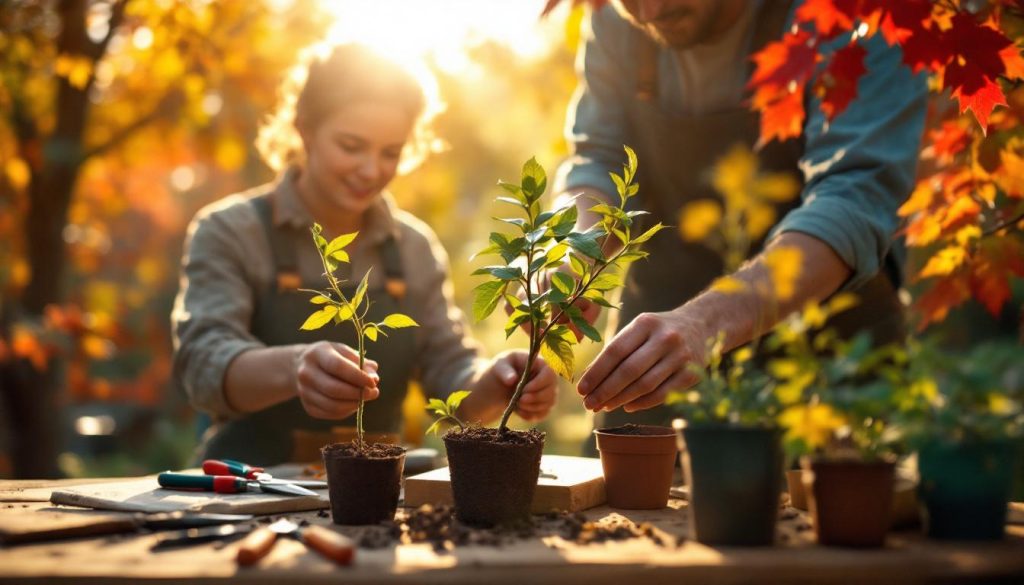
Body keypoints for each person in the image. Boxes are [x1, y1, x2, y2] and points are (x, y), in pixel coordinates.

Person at [171, 43, 558, 465]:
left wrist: (498, 381)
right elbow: (202, 364)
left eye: (390, 153)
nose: (371, 170)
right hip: (245, 489)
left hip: (374, 493)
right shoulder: (231, 230)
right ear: (305, 129)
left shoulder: (412, 247)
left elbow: (449, 373)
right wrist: (296, 365)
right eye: (352, 146)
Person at [554, 0, 927, 427]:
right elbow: (597, 158)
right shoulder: (613, 19)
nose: (650, 13)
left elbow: (852, 202)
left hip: (829, 369)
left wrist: (702, 324)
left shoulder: (855, 17)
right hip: (652, 370)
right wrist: (575, 249)